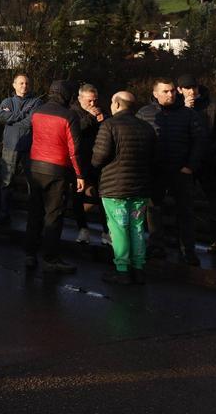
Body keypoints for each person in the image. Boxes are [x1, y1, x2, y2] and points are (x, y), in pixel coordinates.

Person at [138, 78, 208, 265]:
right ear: (155, 93)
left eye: (172, 91)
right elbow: (137, 140)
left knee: (185, 211)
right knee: (153, 210)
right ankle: (156, 246)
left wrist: (190, 166)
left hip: (181, 170)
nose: (170, 94)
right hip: (155, 171)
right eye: (165, 91)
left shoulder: (188, 114)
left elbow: (199, 141)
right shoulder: (145, 113)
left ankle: (188, 250)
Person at [92, 91, 156, 285]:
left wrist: (93, 167)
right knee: (137, 228)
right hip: (141, 187)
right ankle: (138, 268)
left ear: (118, 105)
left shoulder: (109, 125)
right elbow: (154, 156)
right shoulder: (147, 128)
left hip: (115, 187)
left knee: (119, 228)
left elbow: (99, 157)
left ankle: (122, 270)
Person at [25, 80, 85, 273]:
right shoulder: (70, 115)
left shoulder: (37, 112)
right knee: (54, 214)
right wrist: (79, 174)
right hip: (57, 170)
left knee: (34, 212)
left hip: (35, 167)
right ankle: (50, 257)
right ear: (67, 94)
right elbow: (74, 149)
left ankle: (30, 254)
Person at [177, 74, 216, 253]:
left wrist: (211, 151)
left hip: (208, 162)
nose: (192, 91)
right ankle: (184, 242)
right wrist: (185, 110)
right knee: (184, 201)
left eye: (194, 87)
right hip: (185, 163)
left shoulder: (214, 106)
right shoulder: (176, 108)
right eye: (187, 88)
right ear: (180, 90)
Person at [0, 75, 39, 228]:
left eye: (27, 83)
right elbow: (3, 118)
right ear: (14, 85)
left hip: (30, 148)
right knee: (6, 182)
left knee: (32, 184)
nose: (24, 85)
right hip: (10, 146)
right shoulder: (6, 102)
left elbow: (32, 121)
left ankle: (33, 217)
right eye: (21, 83)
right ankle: (4, 214)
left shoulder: (37, 102)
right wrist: (23, 115)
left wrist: (14, 118)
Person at [68, 83, 106, 245]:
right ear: (80, 98)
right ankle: (83, 229)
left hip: (97, 160)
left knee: (103, 196)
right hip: (79, 161)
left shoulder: (100, 111)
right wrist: (91, 118)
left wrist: (104, 121)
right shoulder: (72, 112)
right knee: (78, 197)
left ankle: (106, 231)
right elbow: (75, 132)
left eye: (95, 101)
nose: (93, 104)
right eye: (89, 101)